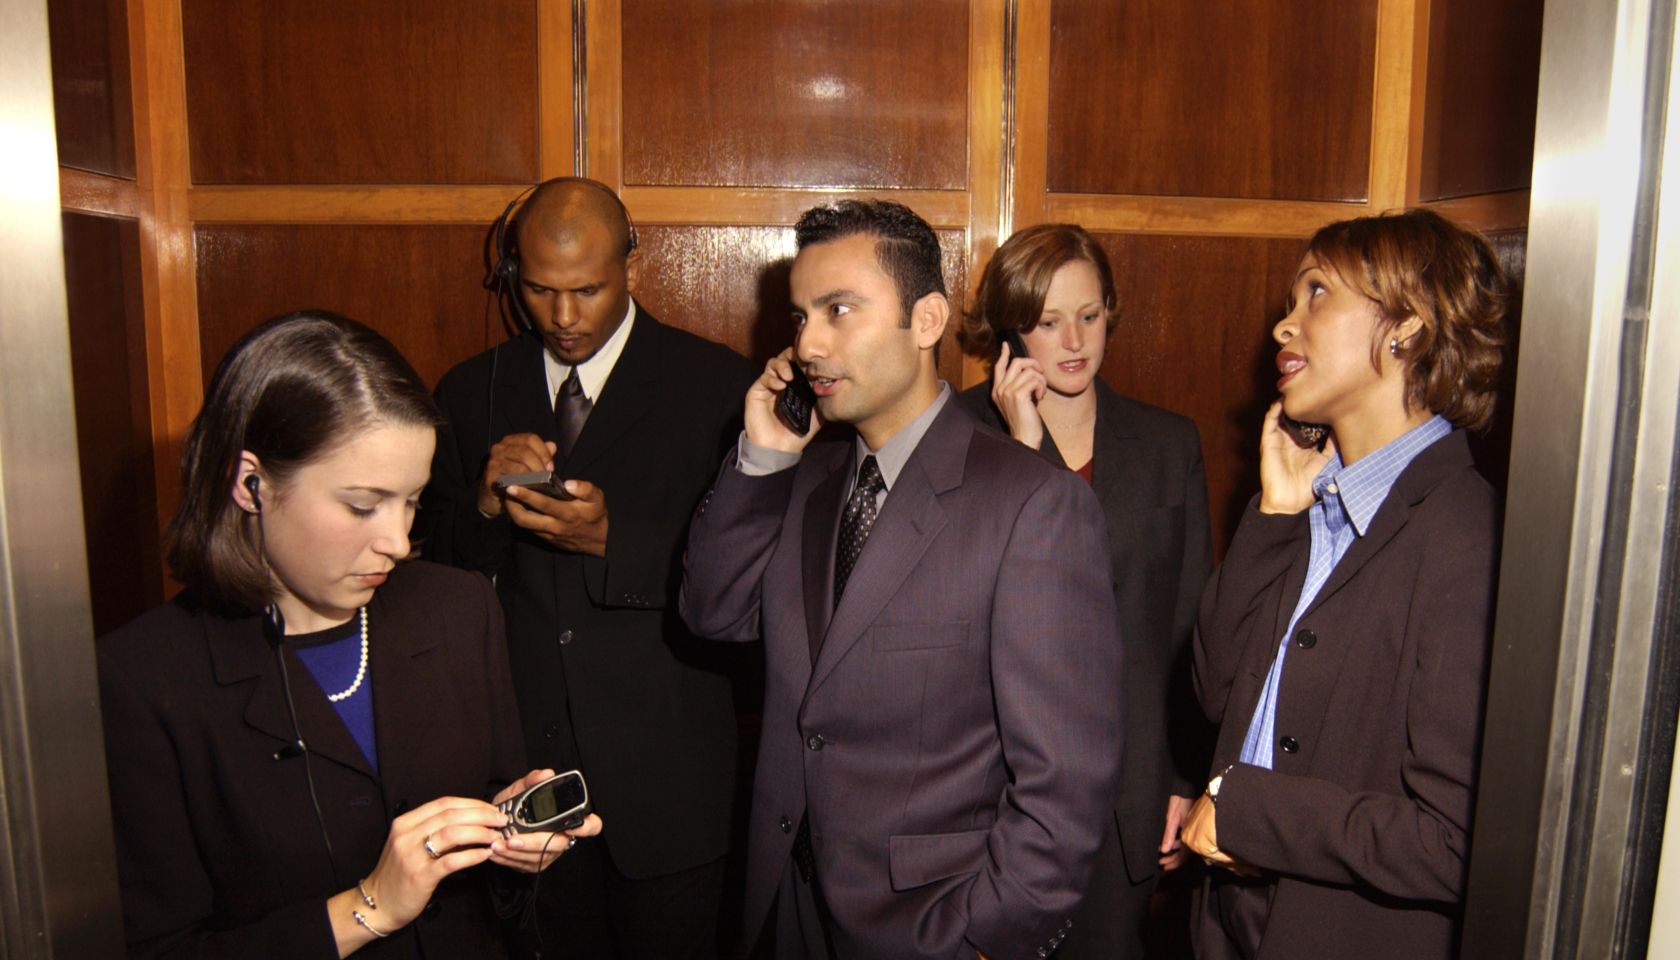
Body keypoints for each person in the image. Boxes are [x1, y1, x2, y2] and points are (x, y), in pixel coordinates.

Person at [679, 199, 1125, 960]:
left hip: (933, 928)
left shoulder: (1030, 503)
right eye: (800, 316)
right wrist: (762, 458)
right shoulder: (807, 478)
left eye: (838, 310)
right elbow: (714, 614)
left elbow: (1065, 783)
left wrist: (988, 939)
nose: (807, 343)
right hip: (787, 908)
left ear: (925, 322)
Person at [98, 311, 601, 960]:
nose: (396, 543)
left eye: (413, 501)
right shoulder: (141, 680)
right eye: (363, 506)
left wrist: (513, 852)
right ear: (249, 482)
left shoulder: (460, 608)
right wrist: (369, 908)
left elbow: (494, 899)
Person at [420, 177, 755, 958]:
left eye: (587, 290)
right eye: (539, 290)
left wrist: (614, 541)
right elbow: (434, 582)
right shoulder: (470, 392)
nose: (564, 318)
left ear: (632, 262)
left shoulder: (717, 388)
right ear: (510, 276)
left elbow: (751, 581)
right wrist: (483, 509)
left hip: (671, 787)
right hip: (522, 784)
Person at [1180, 209, 1508, 959]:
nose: (1283, 328)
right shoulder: (1317, 502)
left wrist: (1253, 815)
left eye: (1317, 294)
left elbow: (1457, 840)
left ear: (1408, 329)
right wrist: (1270, 514)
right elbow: (1213, 694)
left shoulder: (1466, 539)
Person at [958, 223, 1213, 957]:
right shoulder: (956, 436)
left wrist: (1182, 777)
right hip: (988, 792)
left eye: (1090, 315)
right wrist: (1025, 450)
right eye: (1046, 322)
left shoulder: (1170, 443)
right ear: (1010, 330)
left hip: (1125, 792)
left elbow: (1188, 625)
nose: (1074, 340)